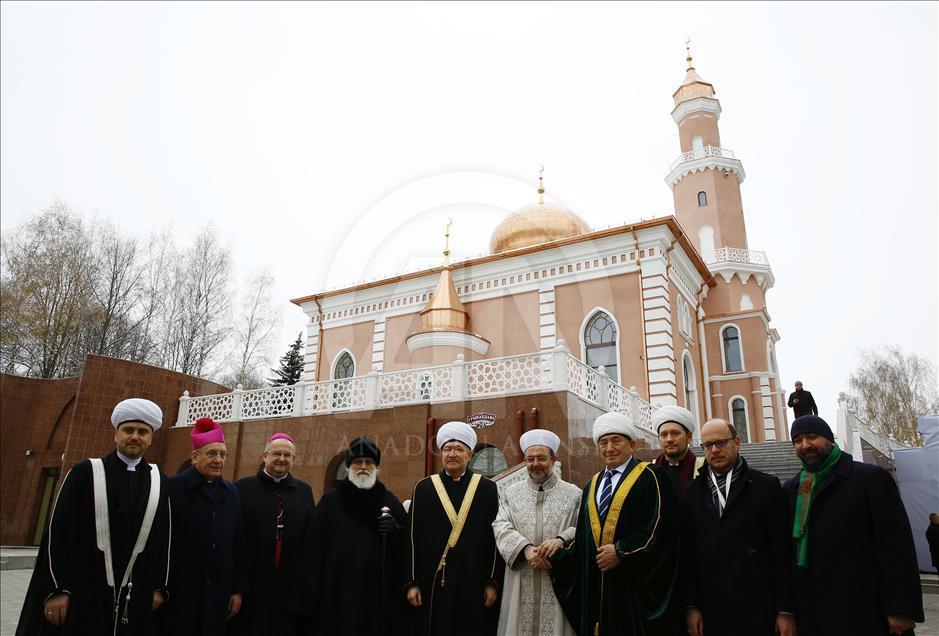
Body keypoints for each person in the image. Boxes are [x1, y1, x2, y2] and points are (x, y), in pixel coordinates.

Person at [16, 398, 171, 636]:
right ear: (115, 434)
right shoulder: (85, 474)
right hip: (85, 590)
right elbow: (58, 535)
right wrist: (58, 589)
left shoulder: (158, 481)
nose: (135, 437)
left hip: (135, 595)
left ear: (151, 438)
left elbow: (164, 540)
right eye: (128, 430)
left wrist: (159, 587)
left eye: (143, 432)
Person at [784, 415, 924, 635]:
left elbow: (896, 547)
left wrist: (901, 608)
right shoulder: (793, 489)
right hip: (815, 612)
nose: (805, 445)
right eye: (798, 441)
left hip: (866, 609)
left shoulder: (869, 479)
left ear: (829, 439)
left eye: (812, 437)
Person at [551, 411, 681, 636]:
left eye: (616, 441)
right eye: (603, 442)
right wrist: (555, 554)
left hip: (633, 589)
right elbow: (584, 536)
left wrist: (621, 552)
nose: (609, 448)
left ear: (631, 445)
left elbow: (661, 527)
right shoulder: (592, 484)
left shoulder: (651, 475)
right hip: (597, 592)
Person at [681, 419, 796, 636]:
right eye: (708, 445)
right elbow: (689, 552)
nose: (714, 450)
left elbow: (781, 552)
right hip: (711, 608)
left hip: (758, 607)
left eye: (721, 443)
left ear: (737, 441)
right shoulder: (692, 492)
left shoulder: (766, 487)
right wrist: (691, 605)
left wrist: (786, 609)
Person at [292, 436, 407, 636]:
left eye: (369, 462)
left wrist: (396, 531)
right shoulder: (331, 502)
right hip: (338, 591)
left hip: (377, 595)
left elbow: (408, 545)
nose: (363, 466)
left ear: (376, 467)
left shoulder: (389, 501)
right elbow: (313, 550)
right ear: (349, 467)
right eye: (357, 462)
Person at [404, 421, 504, 636]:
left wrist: (492, 582)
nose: (452, 454)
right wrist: (411, 582)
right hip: (433, 582)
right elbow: (411, 538)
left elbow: (495, 539)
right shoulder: (424, 488)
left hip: (474, 583)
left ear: (469, 455)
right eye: (448, 449)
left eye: (459, 449)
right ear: (441, 454)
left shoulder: (487, 489)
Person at [493, 429, 582, 636]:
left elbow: (584, 529)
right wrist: (526, 550)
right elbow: (501, 525)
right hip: (521, 574)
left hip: (558, 576)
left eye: (541, 458)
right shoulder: (511, 493)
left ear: (553, 459)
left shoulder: (574, 494)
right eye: (530, 459)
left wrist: (561, 539)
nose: (535, 464)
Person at [164, 417, 248, 636]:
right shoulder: (173, 489)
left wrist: (237, 590)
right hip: (179, 593)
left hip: (218, 595)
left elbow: (238, 545)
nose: (218, 460)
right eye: (212, 454)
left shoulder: (232, 493)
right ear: (195, 457)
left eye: (222, 454)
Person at [234, 433, 315, 636]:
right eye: (276, 453)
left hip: (289, 585)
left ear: (293, 459)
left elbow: (310, 537)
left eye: (287, 455)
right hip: (253, 582)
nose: (282, 458)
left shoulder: (304, 491)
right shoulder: (243, 488)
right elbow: (235, 539)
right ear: (264, 456)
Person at [650, 405, 703, 499]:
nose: (669, 439)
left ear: (689, 437)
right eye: (664, 435)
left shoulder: (702, 468)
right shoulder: (651, 470)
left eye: (675, 433)